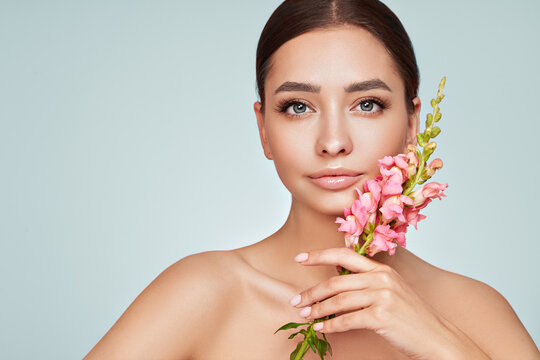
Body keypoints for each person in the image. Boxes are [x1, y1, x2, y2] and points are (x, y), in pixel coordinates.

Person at [84, 0, 539, 359]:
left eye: (367, 104)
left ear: (412, 124)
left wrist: (442, 345)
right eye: (298, 107)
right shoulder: (203, 295)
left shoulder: (475, 312)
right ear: (264, 128)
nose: (333, 141)